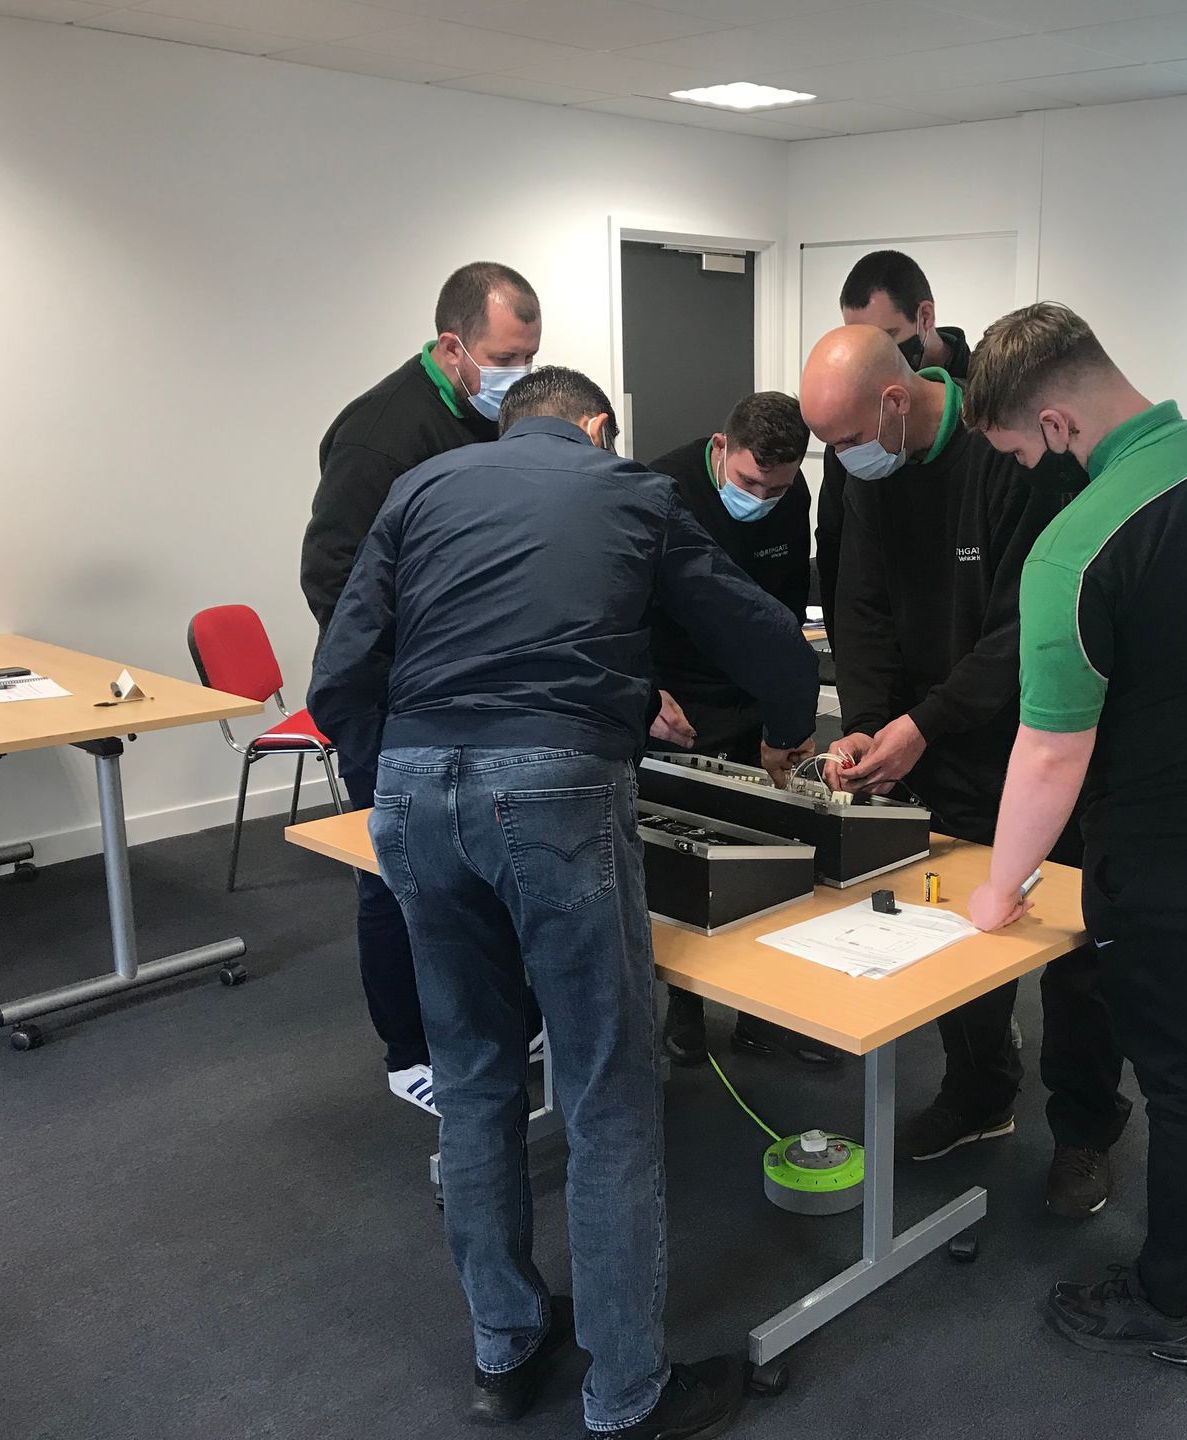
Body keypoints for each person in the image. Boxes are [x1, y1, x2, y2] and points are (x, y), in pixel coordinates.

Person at [311, 366, 818, 1435]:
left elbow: (341, 666)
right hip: (550, 790)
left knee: (476, 1076)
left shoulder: (423, 487)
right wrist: (782, 731)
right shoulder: (630, 488)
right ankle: (628, 1389)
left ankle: (504, 1346)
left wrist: (397, 784)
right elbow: (767, 635)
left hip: (412, 785)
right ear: (595, 427)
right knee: (605, 1087)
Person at [963, 303, 1187, 1369]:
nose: (1032, 470)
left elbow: (1049, 754)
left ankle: (1167, 1302)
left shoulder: (1076, 546)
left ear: (1057, 422)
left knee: (1181, 1078)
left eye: (1022, 450)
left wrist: (1001, 887)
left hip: (1177, 852)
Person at [801, 325, 1129, 1210]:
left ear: (897, 401)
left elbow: (1030, 630)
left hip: (1042, 746)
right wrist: (868, 725)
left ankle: (1086, 1128)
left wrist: (924, 720)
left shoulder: (1016, 458)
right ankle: (980, 1092)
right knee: (950, 930)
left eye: (844, 440)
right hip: (931, 748)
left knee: (1072, 951)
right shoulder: (864, 465)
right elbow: (856, 605)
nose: (838, 460)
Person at [300, 261, 543, 1116]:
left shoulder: (493, 424)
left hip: (483, 695)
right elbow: (332, 579)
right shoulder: (380, 436)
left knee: (490, 865)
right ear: (453, 346)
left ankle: (500, 1018)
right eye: (508, 355)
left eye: (532, 355)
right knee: (397, 876)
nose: (518, 373)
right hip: (391, 702)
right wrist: (418, 674)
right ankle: (409, 1049)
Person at [644, 394, 835, 1068]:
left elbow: (779, 610)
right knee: (686, 858)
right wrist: (647, 693)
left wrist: (779, 709)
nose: (762, 496)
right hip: (677, 695)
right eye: (751, 482)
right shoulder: (661, 488)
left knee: (766, 856)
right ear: (721, 445)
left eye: (776, 486)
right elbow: (626, 602)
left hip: (749, 689)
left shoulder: (792, 491)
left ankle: (762, 1016)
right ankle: (685, 1010)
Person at [815, 251, 973, 652]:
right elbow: (838, 545)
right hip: (890, 638)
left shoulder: (989, 402)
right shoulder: (852, 426)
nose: (870, 355)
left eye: (883, 339)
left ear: (924, 317)